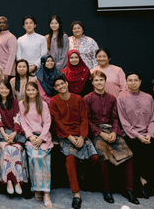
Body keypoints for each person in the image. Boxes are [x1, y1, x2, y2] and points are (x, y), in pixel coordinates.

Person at [83, 71, 139, 205]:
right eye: (96, 81)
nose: (99, 83)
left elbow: (115, 118)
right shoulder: (87, 99)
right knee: (103, 155)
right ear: (92, 83)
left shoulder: (112, 99)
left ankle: (129, 189)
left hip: (112, 130)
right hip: (97, 132)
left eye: (101, 80)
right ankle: (106, 190)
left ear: (105, 81)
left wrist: (114, 131)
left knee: (129, 155)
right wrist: (100, 133)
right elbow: (88, 120)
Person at [49, 76, 98, 209]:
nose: (60, 86)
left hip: (81, 134)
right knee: (70, 158)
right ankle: (76, 194)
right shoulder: (53, 102)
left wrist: (82, 137)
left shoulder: (78, 99)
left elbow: (84, 118)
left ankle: (82, 175)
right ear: (55, 88)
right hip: (65, 136)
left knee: (94, 157)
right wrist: (70, 137)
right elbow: (58, 122)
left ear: (66, 83)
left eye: (62, 83)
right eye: (57, 85)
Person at [117, 71, 154, 198]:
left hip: (148, 133)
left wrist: (149, 134)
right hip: (131, 134)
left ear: (140, 82)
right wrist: (138, 136)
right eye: (130, 80)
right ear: (126, 82)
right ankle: (141, 183)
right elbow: (124, 122)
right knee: (138, 151)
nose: (133, 83)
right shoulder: (121, 97)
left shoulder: (148, 97)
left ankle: (151, 183)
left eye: (136, 80)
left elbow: (153, 118)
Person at [19, 81, 53, 208]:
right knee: (34, 157)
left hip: (43, 138)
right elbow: (23, 122)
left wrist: (41, 138)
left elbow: (47, 122)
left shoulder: (43, 104)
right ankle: (37, 188)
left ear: (37, 91)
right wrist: (31, 137)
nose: (31, 92)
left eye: (33, 90)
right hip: (31, 138)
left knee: (43, 158)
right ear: (26, 91)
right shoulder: (22, 104)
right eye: (28, 90)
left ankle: (46, 193)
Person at [0, 80, 28, 196]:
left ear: (9, 90)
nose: (4, 91)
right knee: (7, 149)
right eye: (1, 88)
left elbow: (17, 118)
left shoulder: (14, 101)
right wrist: (6, 135)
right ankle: (8, 182)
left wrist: (14, 133)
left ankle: (17, 181)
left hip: (14, 134)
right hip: (2, 135)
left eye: (6, 88)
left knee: (16, 148)